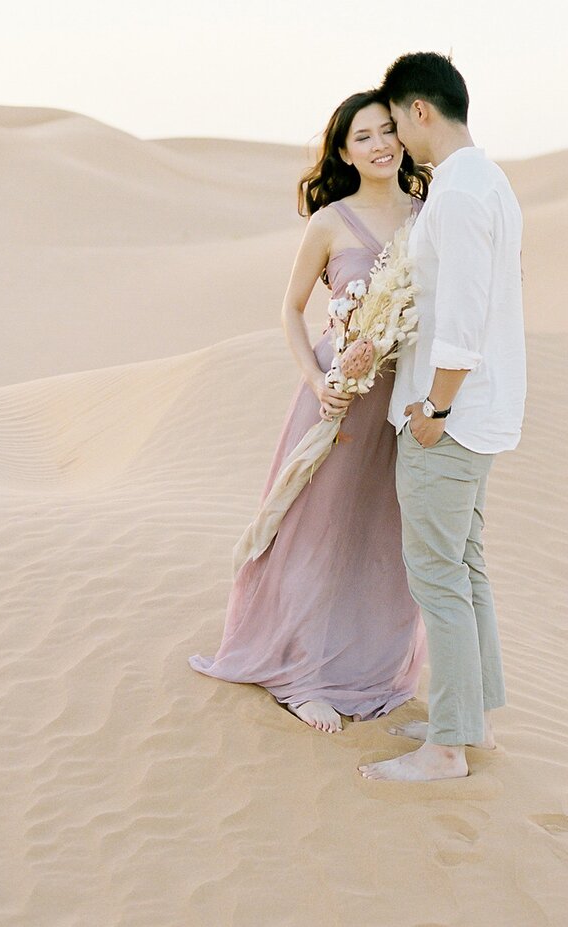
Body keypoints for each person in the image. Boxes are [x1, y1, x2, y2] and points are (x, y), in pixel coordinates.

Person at [189, 91, 430, 733]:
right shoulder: (330, 221)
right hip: (338, 395)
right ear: (343, 152)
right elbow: (292, 310)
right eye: (363, 137)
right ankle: (300, 675)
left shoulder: (427, 214)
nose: (380, 145)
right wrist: (316, 378)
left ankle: (369, 666)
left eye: (388, 132)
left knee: (381, 534)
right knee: (315, 529)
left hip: (401, 400)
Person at [359, 52, 526, 782]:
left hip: (451, 416)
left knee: (437, 573)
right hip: (479, 409)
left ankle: (447, 749)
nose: (399, 137)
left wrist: (435, 405)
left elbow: (461, 316)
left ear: (420, 110)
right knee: (464, 563)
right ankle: (470, 716)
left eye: (397, 122)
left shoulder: (458, 193)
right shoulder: (491, 180)